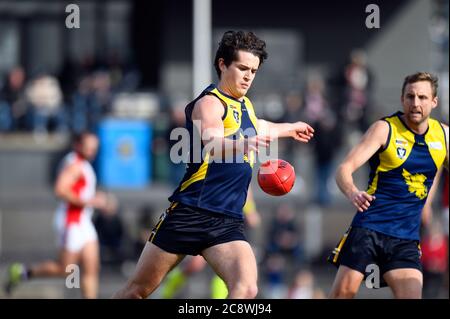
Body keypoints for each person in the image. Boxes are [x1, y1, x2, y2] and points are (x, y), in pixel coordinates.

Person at [112, 30, 314, 299]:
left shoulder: (246, 106)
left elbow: (258, 125)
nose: (248, 76)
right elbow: (213, 142)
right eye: (242, 68)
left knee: (246, 287)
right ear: (222, 64)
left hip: (227, 220)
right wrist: (242, 144)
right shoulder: (209, 104)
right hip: (190, 212)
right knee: (138, 290)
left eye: (253, 71)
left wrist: (290, 128)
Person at [328, 72, 449, 299]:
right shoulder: (384, 129)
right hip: (370, 228)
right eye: (410, 96)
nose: (415, 103)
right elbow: (343, 169)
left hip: (406, 238)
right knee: (343, 293)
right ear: (402, 99)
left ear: (434, 102)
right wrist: (353, 192)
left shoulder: (443, 136)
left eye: (422, 97)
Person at [4, 131, 110, 298]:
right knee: (66, 269)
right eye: (88, 146)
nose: (92, 150)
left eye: (94, 147)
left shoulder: (83, 164)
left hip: (84, 222)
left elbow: (80, 191)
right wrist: (90, 202)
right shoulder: (74, 165)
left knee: (92, 267)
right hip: (71, 221)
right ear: (78, 145)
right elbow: (60, 190)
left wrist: (95, 198)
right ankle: (23, 273)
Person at [159, 187, 261, 299]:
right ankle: (165, 294)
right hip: (208, 224)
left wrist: (250, 209)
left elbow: (252, 218)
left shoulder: (241, 181)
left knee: (228, 272)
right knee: (194, 266)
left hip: (232, 230)